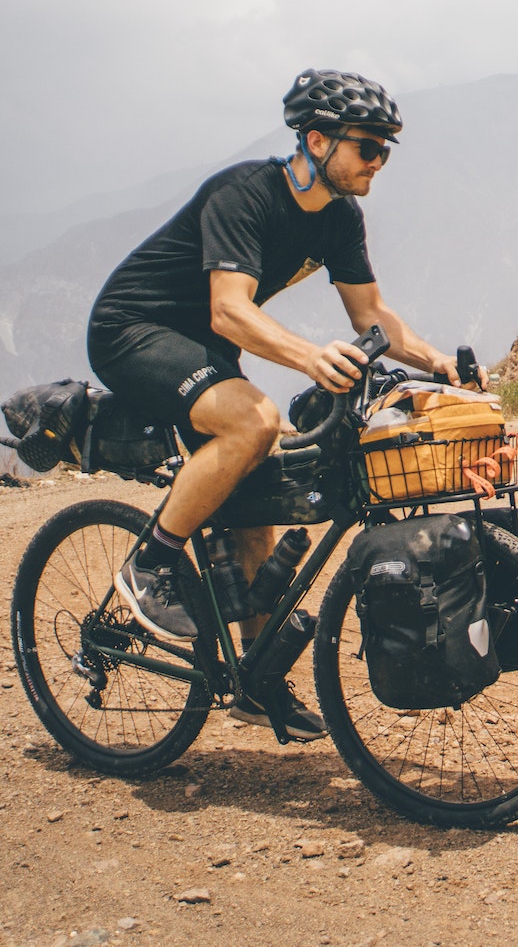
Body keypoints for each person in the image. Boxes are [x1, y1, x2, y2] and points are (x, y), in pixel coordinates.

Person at [87, 69, 482, 740]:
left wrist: (436, 359)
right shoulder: (245, 195)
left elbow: (373, 313)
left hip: (205, 346)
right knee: (256, 419)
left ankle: (258, 681)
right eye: (369, 148)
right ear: (319, 141)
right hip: (135, 331)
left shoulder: (339, 218)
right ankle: (149, 561)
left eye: (387, 150)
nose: (379, 163)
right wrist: (309, 357)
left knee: (255, 501)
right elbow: (229, 309)